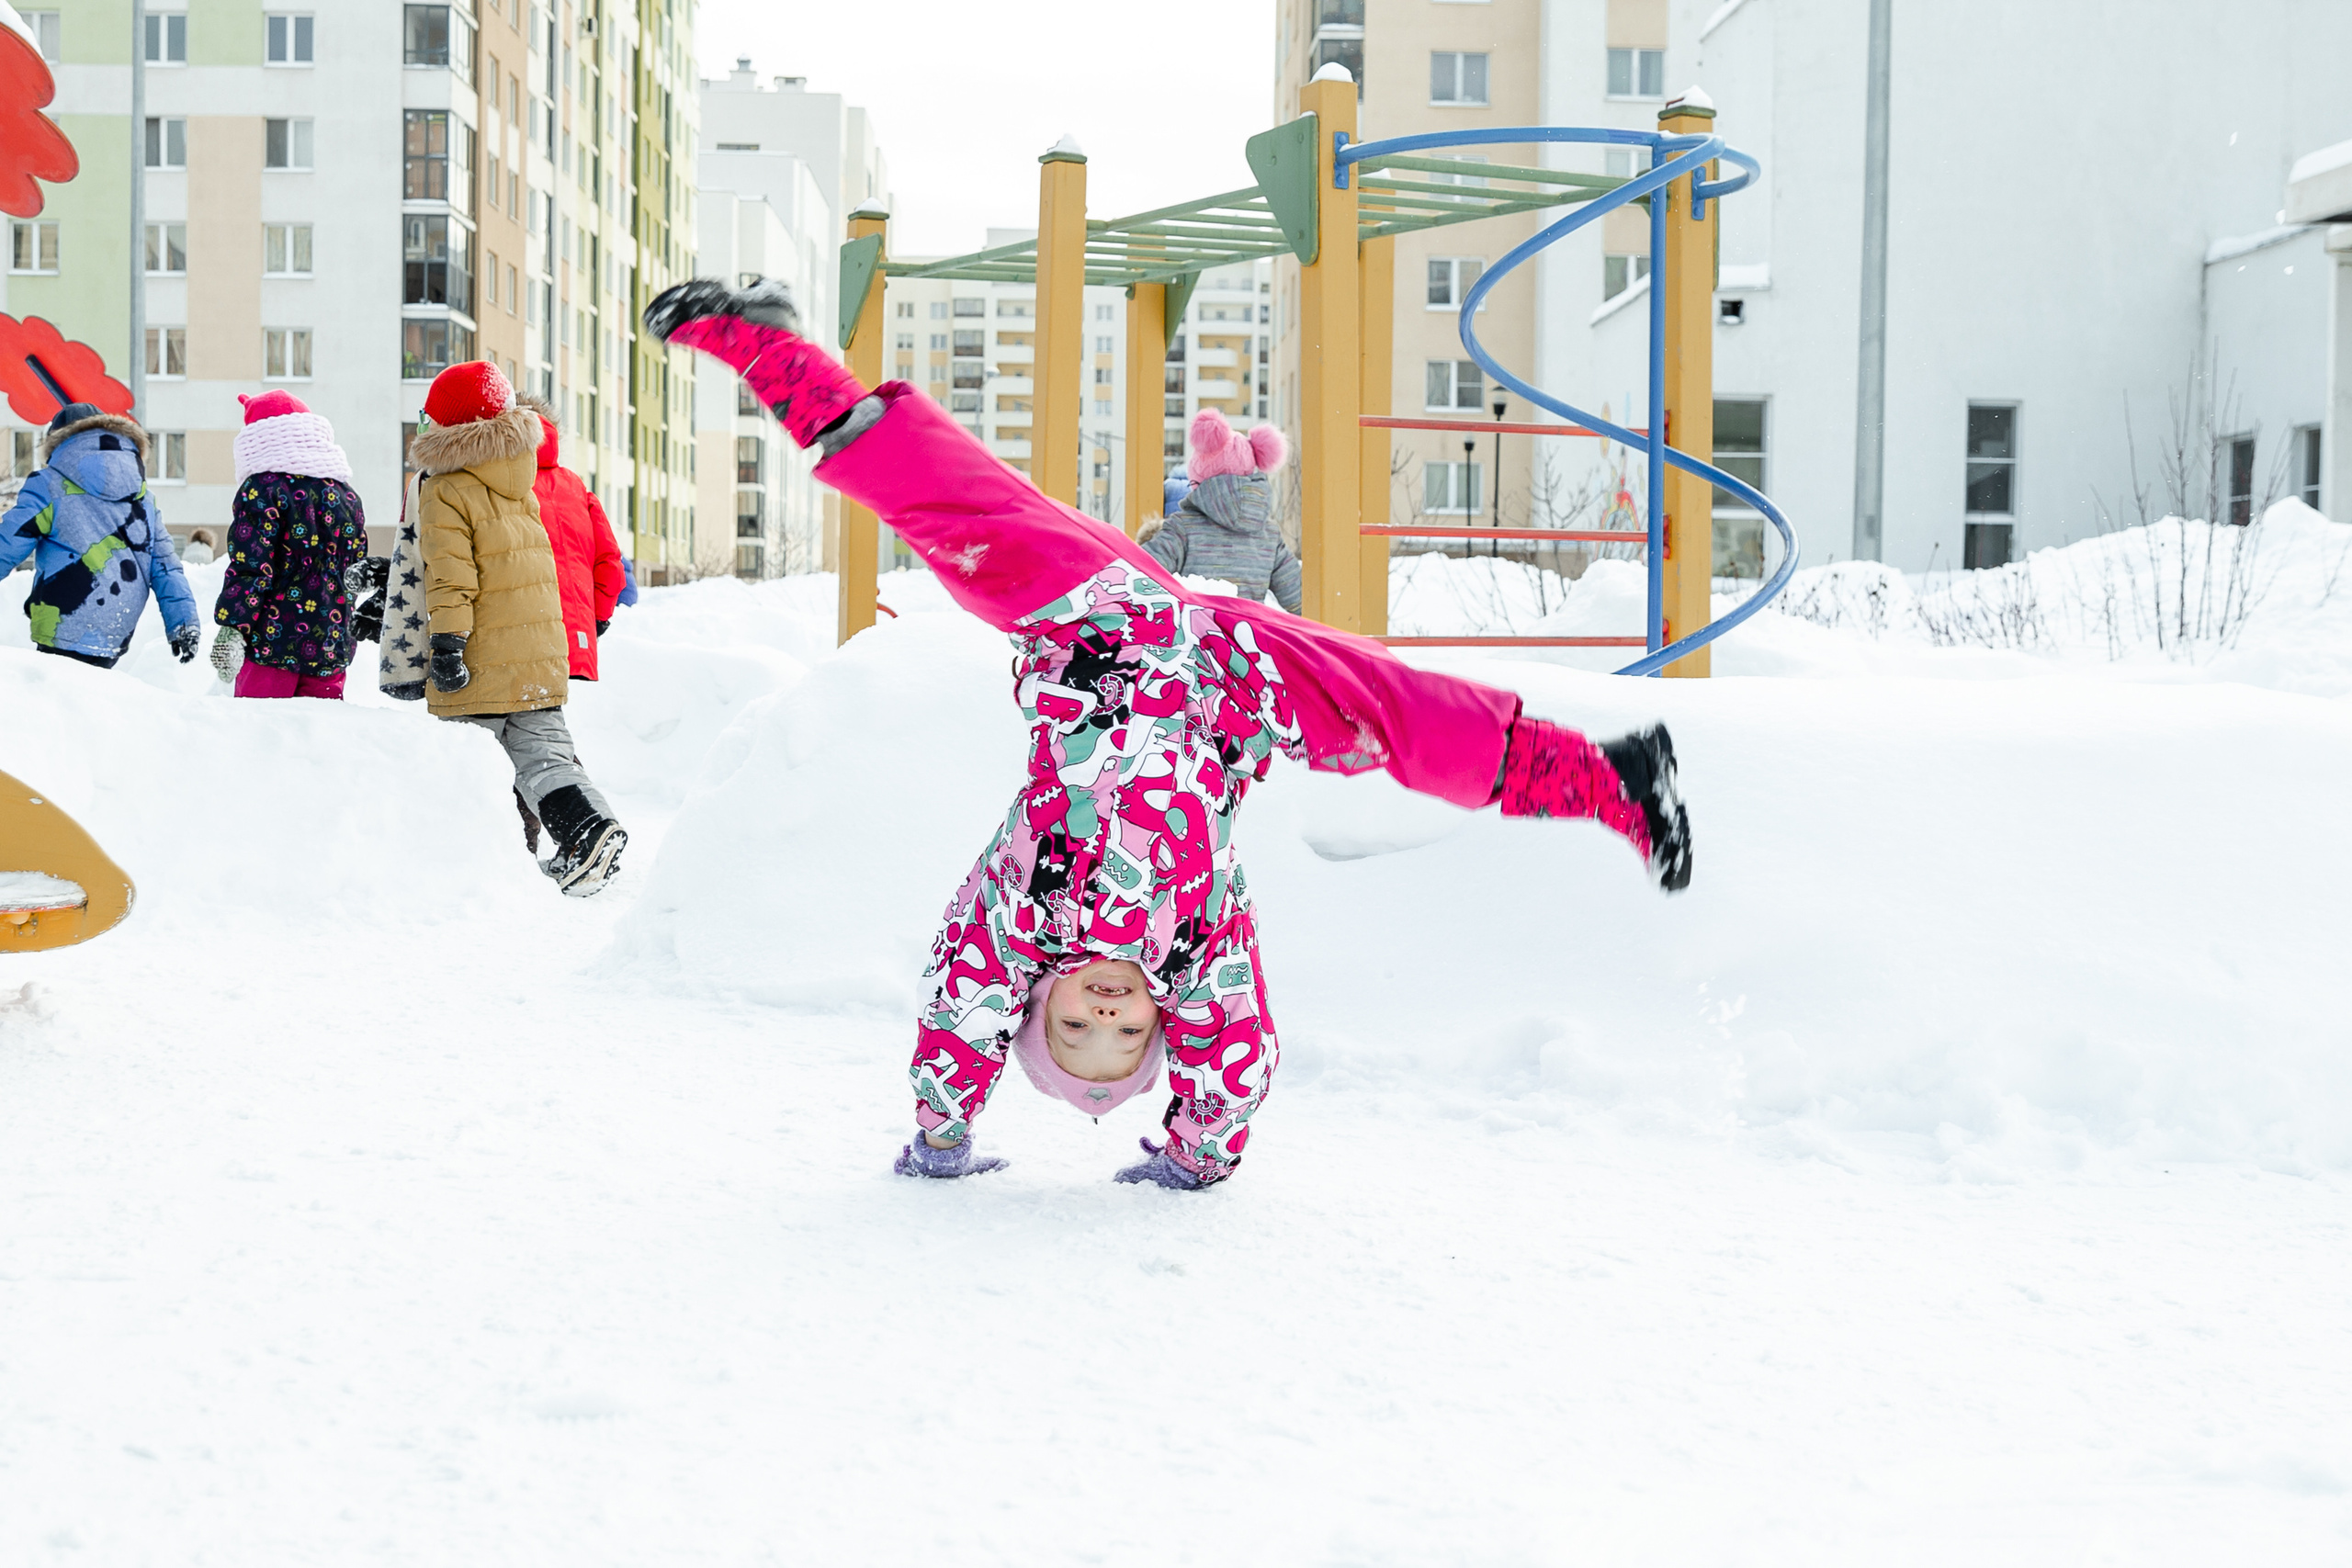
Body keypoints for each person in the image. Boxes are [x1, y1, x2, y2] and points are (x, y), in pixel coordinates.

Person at [646, 278, 1693, 1190]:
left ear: (1037, 1003)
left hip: (1093, 627)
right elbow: (1233, 1046)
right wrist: (1200, 1152)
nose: (1106, 1012)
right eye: (1126, 1035)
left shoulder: (1018, 924)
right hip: (1239, 682)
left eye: (1073, 1029)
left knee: (954, 512)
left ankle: (768, 344)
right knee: (1406, 720)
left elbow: (959, 1014)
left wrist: (942, 1136)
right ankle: (1616, 781)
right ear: (1160, 1023)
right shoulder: (1194, 946)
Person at [379, 362, 628, 897]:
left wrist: (447, 644)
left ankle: (485, 869)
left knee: (474, 765)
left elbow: (451, 577)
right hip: (538, 650)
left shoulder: (444, 489)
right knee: (544, 753)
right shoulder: (521, 480)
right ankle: (591, 831)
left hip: (482, 654)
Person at [0, 401, 199, 669]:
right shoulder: (144, 499)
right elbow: (166, 568)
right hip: (116, 626)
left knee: (57, 701)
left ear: (58, 442)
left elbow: (9, 542)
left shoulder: (49, 485)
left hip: (62, 620)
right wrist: (184, 624)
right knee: (93, 700)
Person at [208, 391, 369, 699]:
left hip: (271, 645)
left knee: (260, 734)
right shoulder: (346, 495)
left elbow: (251, 565)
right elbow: (355, 571)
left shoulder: (262, 489)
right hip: (331, 645)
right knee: (318, 737)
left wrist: (233, 626)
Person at [1143, 409, 1303, 614]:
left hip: (1194, 640)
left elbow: (1142, 573)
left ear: (1200, 472)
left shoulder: (1183, 528)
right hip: (1247, 640)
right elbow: (1298, 600)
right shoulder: (1269, 536)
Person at [516, 395, 625, 681]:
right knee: (552, 718)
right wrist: (597, 618)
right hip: (576, 640)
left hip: (516, 642)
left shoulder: (500, 487)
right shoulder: (576, 486)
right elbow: (610, 561)